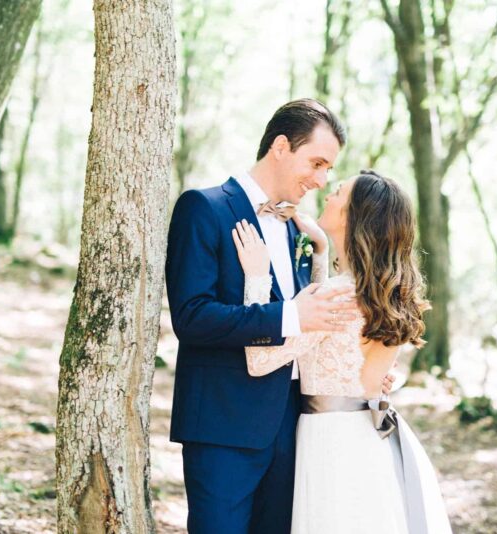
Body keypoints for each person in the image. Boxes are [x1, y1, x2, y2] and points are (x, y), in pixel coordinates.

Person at [166, 99, 394, 534]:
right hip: (223, 426)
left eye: (329, 169)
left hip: (296, 430)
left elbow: (319, 331)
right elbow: (191, 317)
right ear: (281, 146)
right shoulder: (204, 208)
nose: (322, 179)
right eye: (317, 162)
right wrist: (289, 315)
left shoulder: (298, 230)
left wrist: (367, 374)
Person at [232, 170, 452, 533]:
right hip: (372, 438)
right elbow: (335, 342)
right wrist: (320, 252)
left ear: (354, 218)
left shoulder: (333, 296)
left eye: (337, 193)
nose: (326, 195)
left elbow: (259, 361)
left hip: (331, 443)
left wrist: (257, 278)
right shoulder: (384, 295)